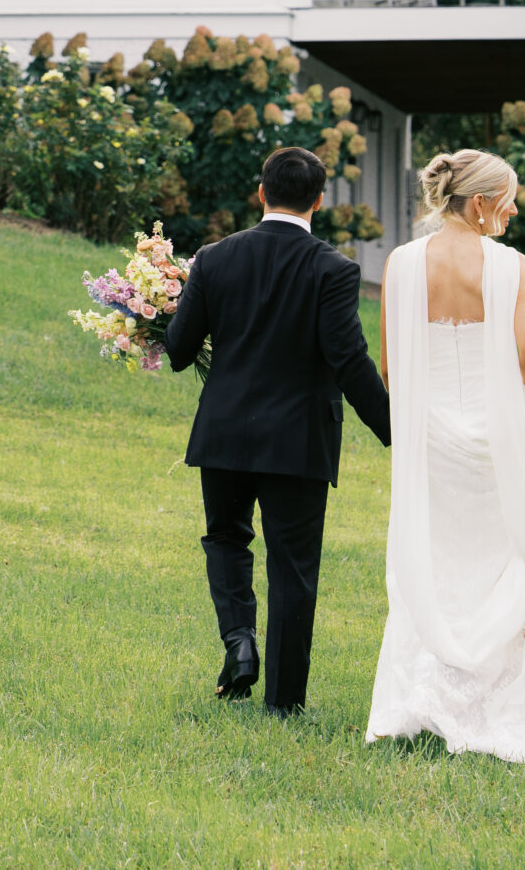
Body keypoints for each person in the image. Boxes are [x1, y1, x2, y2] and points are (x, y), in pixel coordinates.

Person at [365, 148, 525, 765]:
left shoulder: (400, 264)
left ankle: (430, 694)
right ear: (477, 203)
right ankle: (503, 699)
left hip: (431, 438)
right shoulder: (511, 268)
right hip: (498, 436)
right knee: (507, 554)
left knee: (443, 557)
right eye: (506, 201)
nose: (511, 211)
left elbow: (392, 366)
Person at [165, 146, 391, 717]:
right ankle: (283, 702)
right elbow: (349, 360)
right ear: (318, 202)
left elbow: (177, 352)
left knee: (225, 538)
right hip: (299, 441)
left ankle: (239, 644)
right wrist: (396, 430)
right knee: (293, 566)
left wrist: (162, 311)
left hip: (224, 433)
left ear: (260, 192)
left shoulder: (213, 260)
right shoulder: (334, 270)